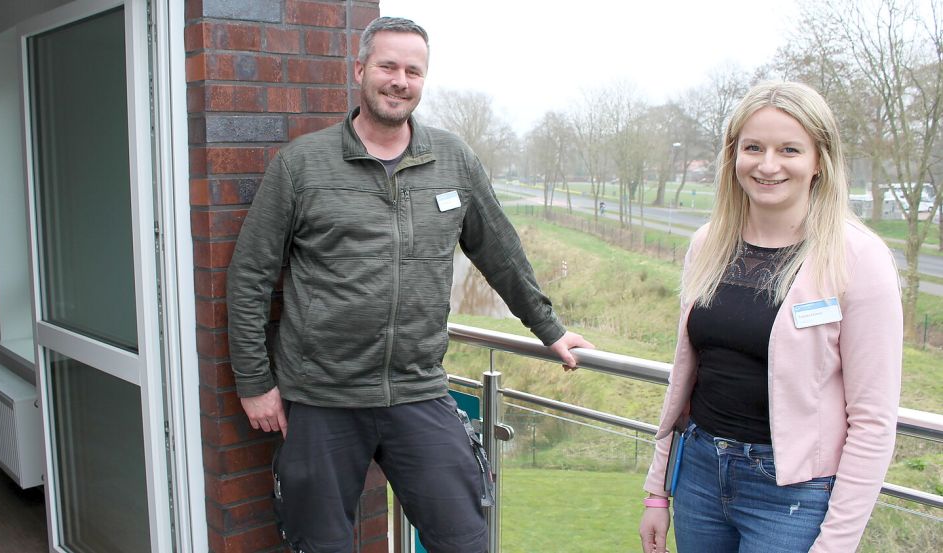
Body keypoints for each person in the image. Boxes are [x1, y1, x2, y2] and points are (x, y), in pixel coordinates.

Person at [226, 16, 593, 553]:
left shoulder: (453, 161)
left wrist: (550, 329)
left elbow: (501, 253)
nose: (400, 80)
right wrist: (254, 381)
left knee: (465, 539)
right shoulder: (302, 166)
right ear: (360, 70)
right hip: (323, 398)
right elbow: (251, 275)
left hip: (418, 390)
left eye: (413, 71)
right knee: (317, 544)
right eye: (388, 66)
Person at [638, 81, 902, 553]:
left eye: (790, 149)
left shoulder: (859, 258)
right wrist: (658, 490)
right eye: (753, 147)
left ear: (820, 160)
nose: (767, 164)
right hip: (699, 475)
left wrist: (836, 544)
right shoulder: (708, 244)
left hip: (792, 496)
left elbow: (873, 421)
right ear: (732, 155)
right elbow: (686, 379)